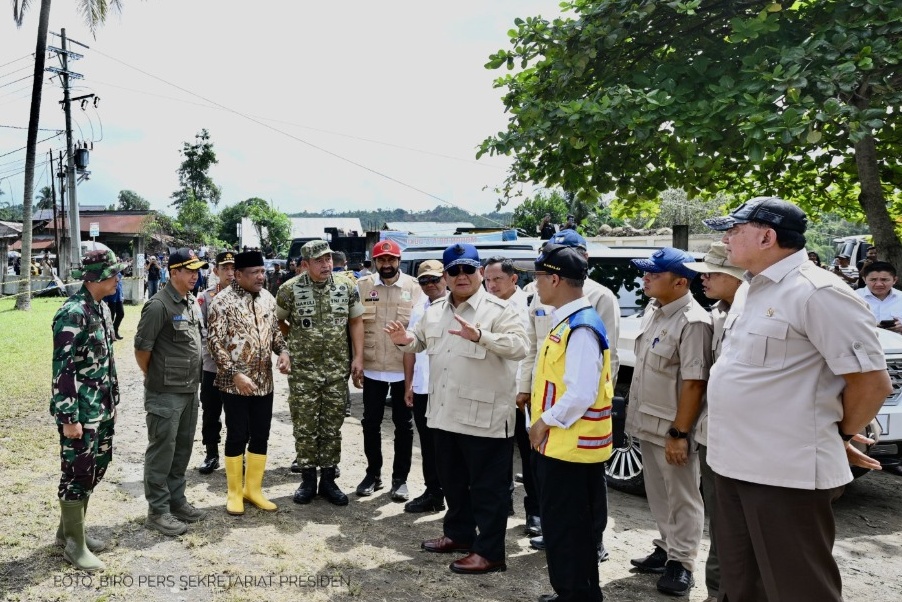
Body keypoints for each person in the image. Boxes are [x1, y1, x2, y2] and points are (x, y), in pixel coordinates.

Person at [704, 196, 891, 602]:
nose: (726, 238)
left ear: (768, 236)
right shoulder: (752, 289)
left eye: (735, 230)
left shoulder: (817, 292)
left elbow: (871, 384)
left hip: (784, 474)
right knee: (738, 587)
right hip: (732, 464)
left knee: (798, 589)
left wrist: (839, 434)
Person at [385, 243, 529, 575]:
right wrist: (402, 338)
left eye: (468, 269)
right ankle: (459, 535)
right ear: (446, 276)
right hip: (445, 413)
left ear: (480, 272)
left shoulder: (501, 309)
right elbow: (418, 342)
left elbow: (520, 347)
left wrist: (480, 335)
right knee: (452, 481)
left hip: (486, 418)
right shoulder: (435, 310)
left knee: (487, 489)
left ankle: (490, 553)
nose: (461, 276)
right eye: (454, 270)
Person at [519, 229, 621, 553]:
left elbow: (592, 377)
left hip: (571, 426)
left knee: (579, 508)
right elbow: (535, 349)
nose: (536, 282)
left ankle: (589, 551)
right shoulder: (553, 304)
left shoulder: (588, 311)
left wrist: (544, 420)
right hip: (555, 423)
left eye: (540, 275)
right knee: (561, 513)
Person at [627, 247, 712, 597]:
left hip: (673, 428)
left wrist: (680, 433)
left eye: (654, 273)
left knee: (683, 497)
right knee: (659, 493)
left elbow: (694, 382)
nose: (645, 278)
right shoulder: (655, 310)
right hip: (648, 422)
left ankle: (683, 564)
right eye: (646, 272)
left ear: (680, 282)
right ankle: (666, 549)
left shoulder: (693, 321)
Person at [51, 250, 126, 571]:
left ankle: (68, 532)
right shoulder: (72, 313)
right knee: (78, 473)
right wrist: (69, 419)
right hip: (80, 413)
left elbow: (104, 361)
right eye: (112, 274)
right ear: (95, 277)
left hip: (102, 409)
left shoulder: (101, 309)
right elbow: (62, 370)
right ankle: (75, 546)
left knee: (96, 468)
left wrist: (113, 401)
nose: (118, 279)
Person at [276, 240, 364, 506]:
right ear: (305, 265)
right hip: (303, 371)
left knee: (331, 426)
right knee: (305, 426)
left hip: (336, 369)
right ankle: (307, 479)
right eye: (319, 260)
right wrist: (289, 348)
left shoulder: (347, 286)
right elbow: (278, 321)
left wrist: (358, 357)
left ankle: (328, 479)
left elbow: (356, 321)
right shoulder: (288, 290)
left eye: (328, 259)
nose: (326, 264)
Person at [683, 242, 745, 602]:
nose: (702, 278)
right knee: (722, 527)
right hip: (714, 436)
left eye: (711, 271)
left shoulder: (761, 313)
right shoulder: (717, 315)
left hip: (751, 442)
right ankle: (717, 593)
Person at [207, 251, 290, 515]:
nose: (261, 277)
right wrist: (234, 373)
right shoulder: (222, 302)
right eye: (255, 272)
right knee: (236, 435)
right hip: (234, 384)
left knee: (261, 435)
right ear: (239, 275)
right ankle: (234, 492)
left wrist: (284, 352)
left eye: (262, 272)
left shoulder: (267, 298)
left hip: (264, 382)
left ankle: (253, 489)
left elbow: (276, 333)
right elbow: (214, 342)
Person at [134, 248, 209, 536]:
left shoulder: (190, 302)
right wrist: (155, 377)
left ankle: (177, 501)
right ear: (173, 271)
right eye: (189, 270)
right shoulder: (158, 306)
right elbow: (142, 350)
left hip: (189, 390)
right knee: (162, 451)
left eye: (197, 270)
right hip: (165, 393)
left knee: (181, 449)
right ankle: (159, 510)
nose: (195, 275)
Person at [355, 239, 421, 502]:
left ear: (398, 260)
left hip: (402, 368)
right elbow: (355, 324)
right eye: (381, 260)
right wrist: (356, 359)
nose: (386, 264)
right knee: (370, 424)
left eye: (391, 259)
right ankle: (373, 474)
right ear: (375, 262)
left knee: (403, 427)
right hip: (372, 368)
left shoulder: (415, 288)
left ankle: (400, 479)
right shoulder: (363, 287)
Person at [484, 256, 530, 518]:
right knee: (497, 454)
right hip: (493, 390)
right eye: (487, 279)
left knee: (528, 455)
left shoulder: (531, 305)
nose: (491, 285)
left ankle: (533, 512)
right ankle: (503, 503)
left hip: (522, 392)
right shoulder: (484, 306)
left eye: (497, 279)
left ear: (513, 279)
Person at [403, 260, 448, 513]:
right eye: (424, 281)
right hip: (422, 386)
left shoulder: (457, 306)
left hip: (447, 387)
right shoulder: (419, 307)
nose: (430, 285)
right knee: (427, 444)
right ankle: (433, 493)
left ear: (445, 278)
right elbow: (410, 348)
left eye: (434, 279)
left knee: (448, 445)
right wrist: (409, 383)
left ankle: (453, 495)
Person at [195, 251, 236, 474]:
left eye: (232, 268)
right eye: (225, 268)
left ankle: (236, 453)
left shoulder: (245, 295)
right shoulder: (205, 297)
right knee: (211, 411)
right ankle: (211, 453)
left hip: (238, 367)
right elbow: (201, 332)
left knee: (237, 413)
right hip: (211, 366)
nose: (229, 273)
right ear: (216, 271)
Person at [856, 261, 902, 334]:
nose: (879, 284)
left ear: (894, 280)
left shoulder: (900, 297)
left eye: (884, 280)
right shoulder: (854, 297)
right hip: (864, 343)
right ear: (864, 279)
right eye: (873, 280)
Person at [102, 271, 125, 340]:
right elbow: (106, 286)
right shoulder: (109, 272)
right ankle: (109, 334)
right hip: (110, 298)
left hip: (118, 298)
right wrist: (105, 299)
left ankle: (115, 331)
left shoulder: (119, 273)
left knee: (121, 314)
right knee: (111, 317)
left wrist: (122, 295)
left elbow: (120, 285)